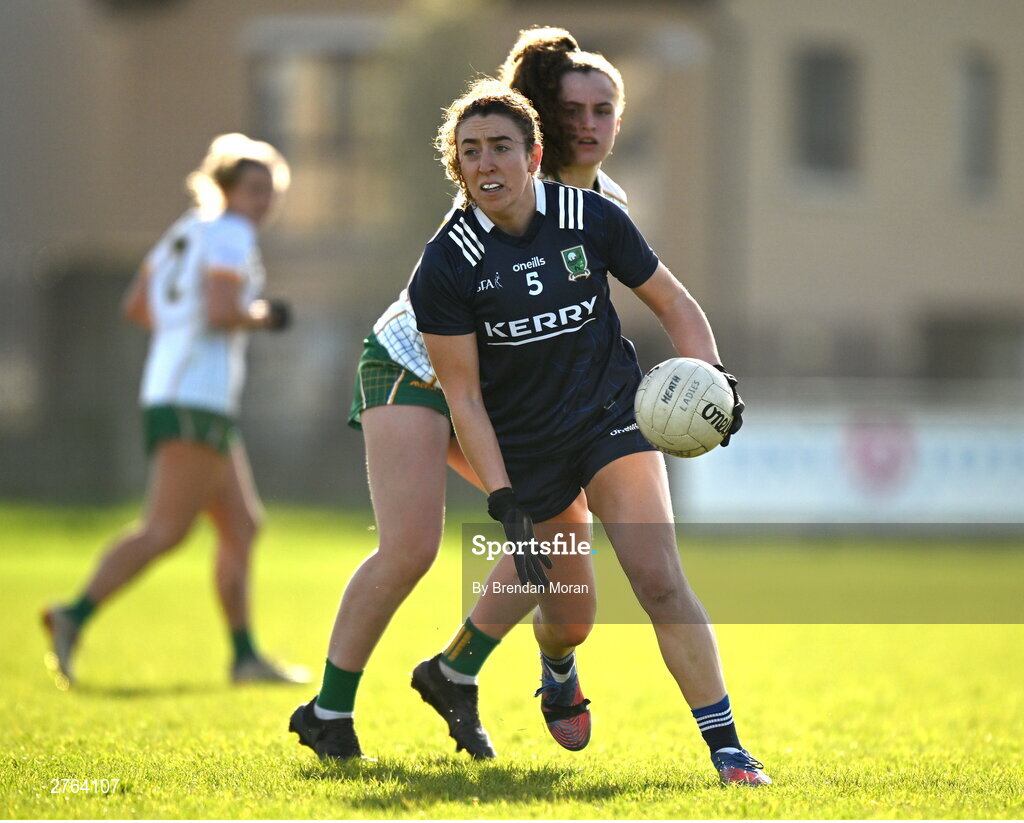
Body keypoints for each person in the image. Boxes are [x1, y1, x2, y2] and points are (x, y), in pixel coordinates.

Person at [405, 79, 770, 786]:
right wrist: (506, 499)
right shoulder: (446, 264)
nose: (487, 165)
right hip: (526, 447)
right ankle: (558, 665)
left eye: (501, 149)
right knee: (570, 617)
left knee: (660, 581)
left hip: (610, 417)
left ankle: (729, 751)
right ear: (457, 166)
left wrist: (714, 380)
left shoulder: (590, 217)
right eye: (470, 152)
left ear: (535, 154)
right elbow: (465, 399)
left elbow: (673, 300)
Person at [287, 28, 625, 762]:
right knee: (411, 548)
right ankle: (328, 710)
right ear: (547, 125)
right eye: (576, 110)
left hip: (488, 388)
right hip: (416, 370)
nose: (591, 124)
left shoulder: (604, 204)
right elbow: (463, 356)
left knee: (561, 530)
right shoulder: (499, 192)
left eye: (606, 108)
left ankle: (456, 669)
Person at [42, 133, 308, 689]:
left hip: (176, 390)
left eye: (271, 191)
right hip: (198, 397)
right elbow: (219, 310)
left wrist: (179, 342)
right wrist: (266, 317)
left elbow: (136, 305)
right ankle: (74, 615)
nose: (265, 201)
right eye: (255, 188)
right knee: (165, 529)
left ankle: (244, 658)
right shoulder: (231, 234)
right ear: (227, 188)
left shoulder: (186, 231)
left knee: (241, 525)